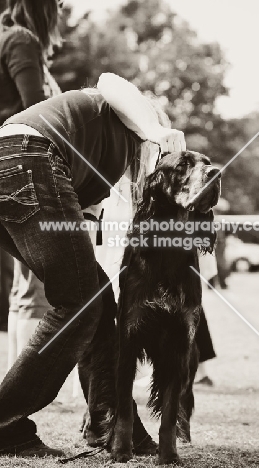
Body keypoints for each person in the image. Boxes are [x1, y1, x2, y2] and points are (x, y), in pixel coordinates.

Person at [0, 72, 186, 457]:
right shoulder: (117, 108)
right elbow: (109, 80)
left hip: (16, 165)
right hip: (27, 156)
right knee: (82, 302)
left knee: (94, 301)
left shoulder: (104, 168)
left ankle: (115, 424)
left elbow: (81, 247)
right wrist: (154, 126)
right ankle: (6, 425)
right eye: (157, 153)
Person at [0, 0, 62, 365]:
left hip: (6, 166)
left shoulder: (5, 36)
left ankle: (11, 383)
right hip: (20, 167)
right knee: (38, 285)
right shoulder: (22, 40)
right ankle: (28, 386)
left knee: (23, 287)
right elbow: (35, 114)